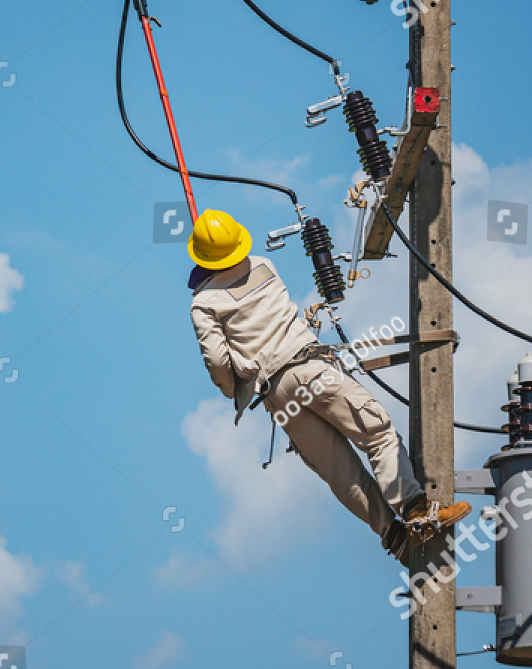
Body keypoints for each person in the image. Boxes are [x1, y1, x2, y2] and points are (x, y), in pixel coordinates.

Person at [186, 208, 469, 565]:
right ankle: (416, 512)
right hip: (310, 370)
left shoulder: (202, 304)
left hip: (278, 396)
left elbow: (216, 363)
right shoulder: (262, 266)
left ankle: (395, 538)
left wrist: (233, 388)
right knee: (376, 431)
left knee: (340, 471)